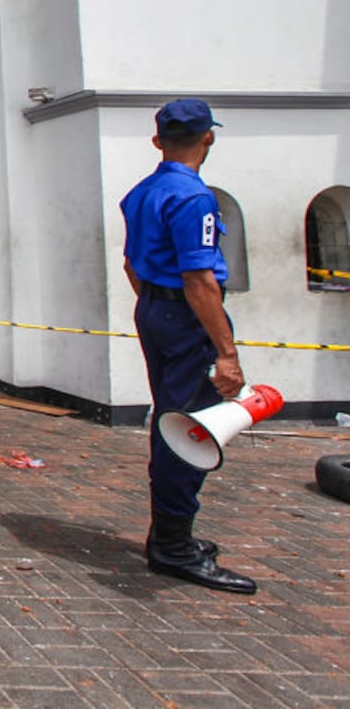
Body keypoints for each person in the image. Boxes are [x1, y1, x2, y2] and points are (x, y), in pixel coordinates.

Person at [120, 98, 254, 594]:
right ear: (208, 138)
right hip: (185, 313)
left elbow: (132, 265)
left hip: (156, 309)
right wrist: (226, 352)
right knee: (188, 427)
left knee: (173, 417)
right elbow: (199, 279)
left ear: (158, 141)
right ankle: (173, 545)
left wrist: (158, 308)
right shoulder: (193, 198)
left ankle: (170, 534)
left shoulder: (142, 192)